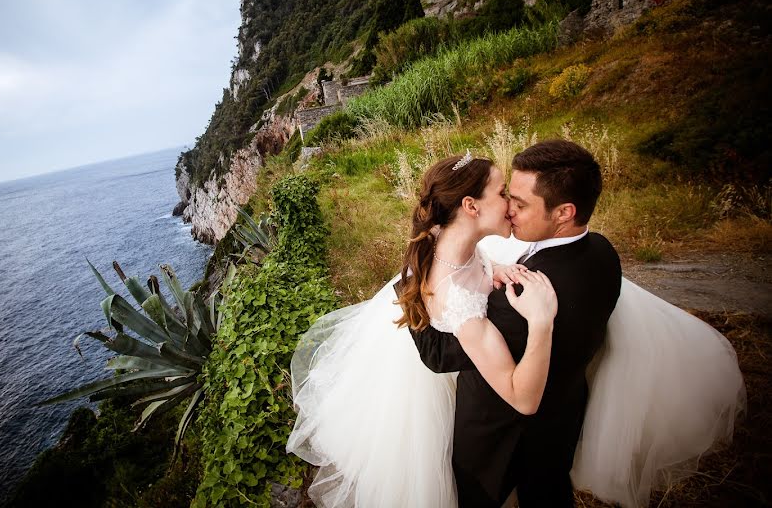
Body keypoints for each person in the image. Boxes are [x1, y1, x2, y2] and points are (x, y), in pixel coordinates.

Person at [288, 141, 745, 508]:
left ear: (563, 212)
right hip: (562, 416)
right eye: (505, 193)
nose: (508, 207)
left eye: (517, 199)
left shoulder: (520, 304)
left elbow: (443, 355)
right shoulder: (601, 252)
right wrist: (467, 281)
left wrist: (526, 317)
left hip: (498, 438)